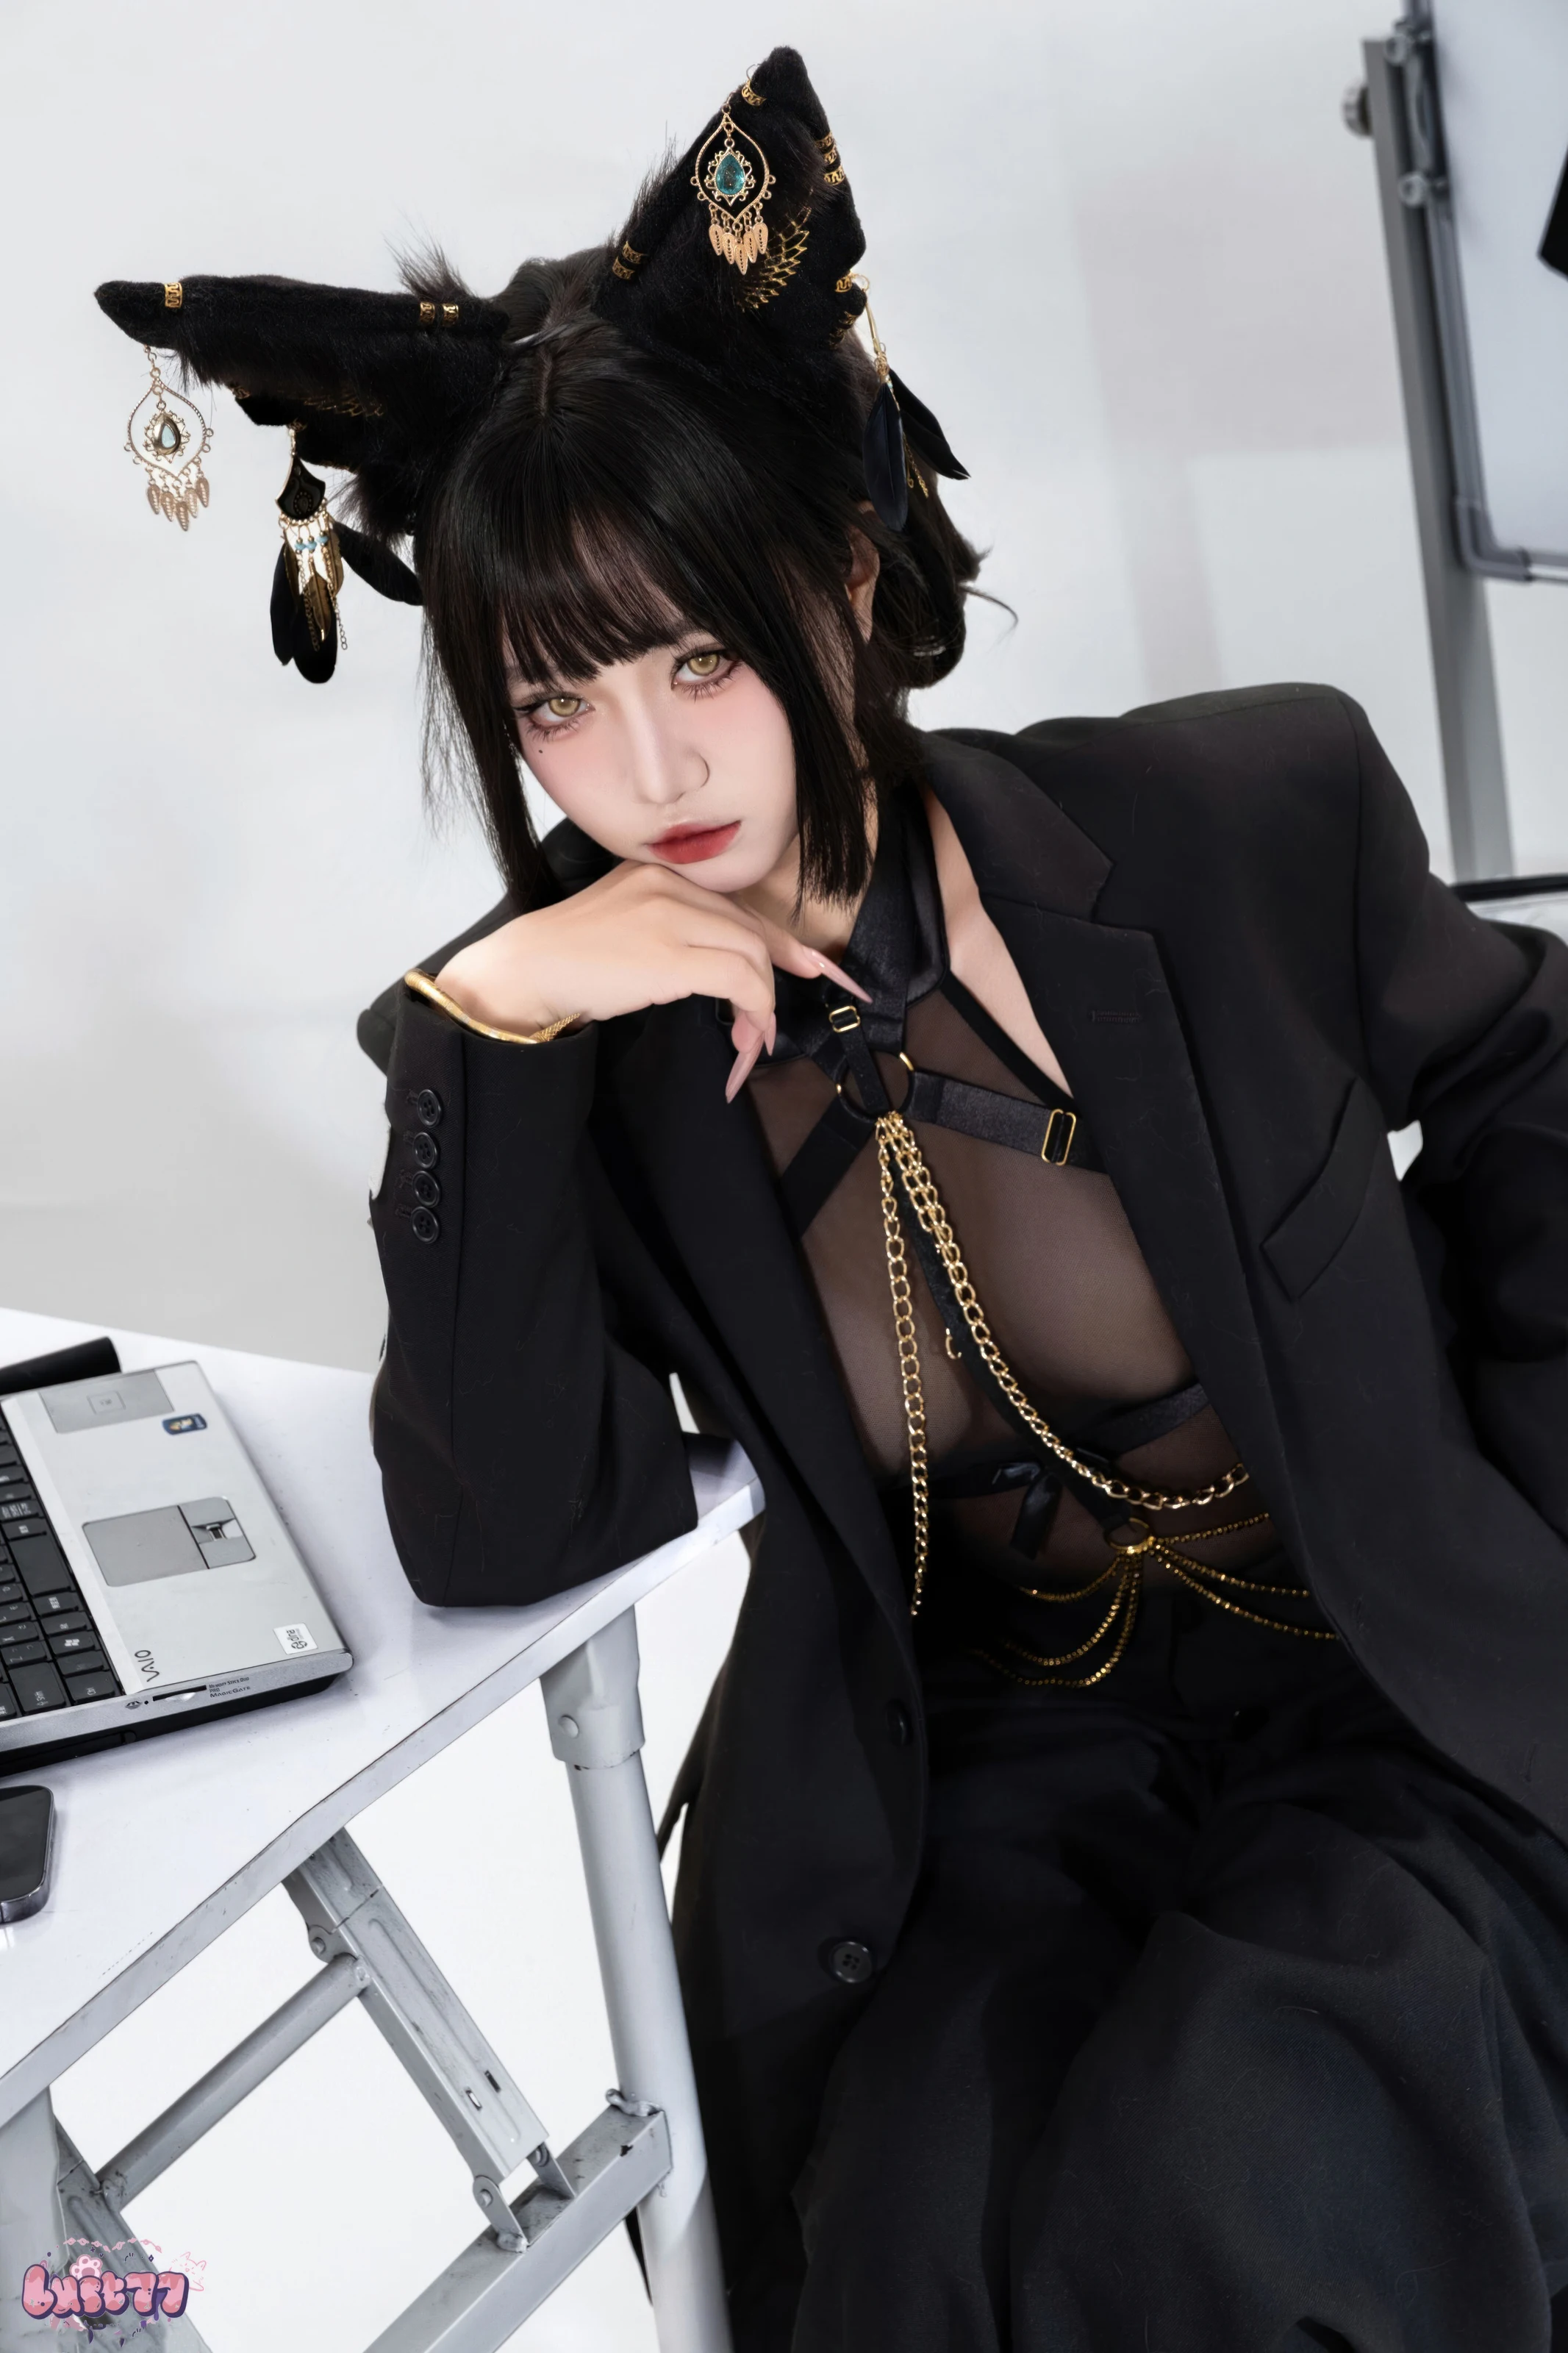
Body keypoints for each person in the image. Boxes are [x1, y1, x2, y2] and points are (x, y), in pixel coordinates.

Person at [96, 48, 1568, 2352]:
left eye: (701, 655)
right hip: (991, 1760)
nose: (646, 766)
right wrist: (486, 1029)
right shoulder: (575, 1052)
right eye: (555, 703)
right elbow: (508, 1529)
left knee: (1235, 2161)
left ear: (845, 576)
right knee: (907, 2234)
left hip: (1382, 1678)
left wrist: (1534, 1526)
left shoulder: (1234, 815)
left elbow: (1526, 1076)